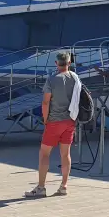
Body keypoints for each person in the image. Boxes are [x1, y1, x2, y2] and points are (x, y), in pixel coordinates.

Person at [24, 52, 80, 199]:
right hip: (70, 121)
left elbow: (46, 102)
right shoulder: (75, 78)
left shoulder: (52, 79)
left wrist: (45, 119)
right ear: (69, 63)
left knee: (44, 153)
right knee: (65, 154)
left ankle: (41, 187)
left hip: (55, 121)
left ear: (56, 63)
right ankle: (64, 186)